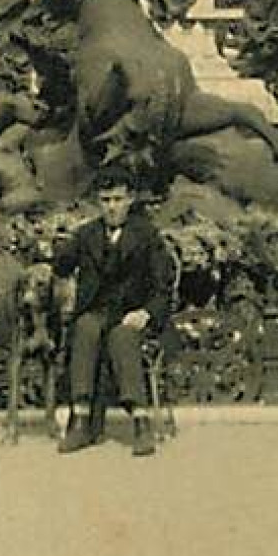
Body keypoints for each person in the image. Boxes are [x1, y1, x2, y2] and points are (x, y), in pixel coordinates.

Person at [52, 190, 178, 455]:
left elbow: (162, 285)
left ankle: (141, 424)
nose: (112, 207)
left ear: (130, 200)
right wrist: (61, 248)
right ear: (99, 203)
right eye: (106, 200)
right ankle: (81, 422)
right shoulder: (87, 234)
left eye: (118, 200)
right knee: (85, 328)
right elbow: (62, 267)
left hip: (132, 313)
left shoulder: (147, 236)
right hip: (98, 312)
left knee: (122, 337)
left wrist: (147, 312)